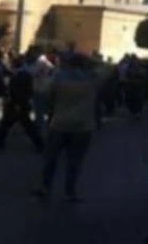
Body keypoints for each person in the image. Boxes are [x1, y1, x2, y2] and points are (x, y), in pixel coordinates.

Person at [33, 53, 99, 203]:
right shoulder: (92, 79)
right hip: (84, 125)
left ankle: (45, 187)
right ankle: (70, 191)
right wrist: (92, 61)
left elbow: (44, 92)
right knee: (75, 161)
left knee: (51, 158)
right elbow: (107, 69)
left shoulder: (59, 77)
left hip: (60, 123)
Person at [0, 57, 44, 152]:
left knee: (20, 124)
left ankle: (40, 145)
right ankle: (39, 144)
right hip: (21, 102)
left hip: (17, 103)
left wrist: (16, 102)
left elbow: (15, 91)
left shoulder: (18, 76)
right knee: (22, 125)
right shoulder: (25, 74)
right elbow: (29, 90)